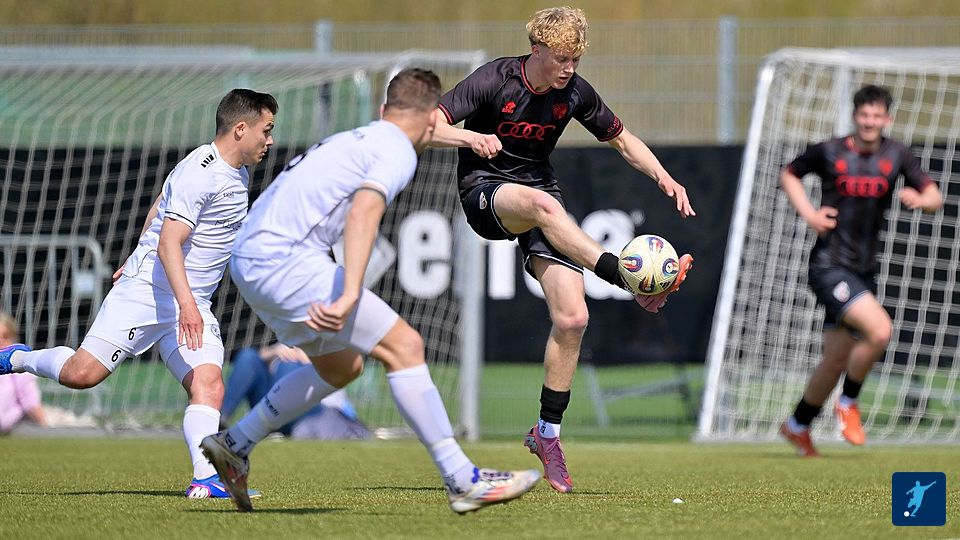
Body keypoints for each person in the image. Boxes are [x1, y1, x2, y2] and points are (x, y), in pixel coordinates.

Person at [200, 68, 540, 514]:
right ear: (430, 119)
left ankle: (236, 443)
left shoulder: (368, 137)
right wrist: (349, 293)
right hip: (285, 260)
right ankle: (463, 480)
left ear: (384, 110)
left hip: (249, 260)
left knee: (342, 365)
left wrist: (468, 139)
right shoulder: (396, 151)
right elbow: (363, 214)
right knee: (406, 346)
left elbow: (420, 130)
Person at [428, 6, 695, 492]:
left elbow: (623, 140)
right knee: (543, 205)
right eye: (561, 58)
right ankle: (627, 279)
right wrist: (470, 136)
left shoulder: (575, 93)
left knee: (573, 318)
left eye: (576, 59)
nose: (569, 68)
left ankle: (546, 434)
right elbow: (429, 125)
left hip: (539, 197)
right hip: (486, 191)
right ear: (537, 49)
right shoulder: (494, 79)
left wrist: (664, 176)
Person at [0, 89, 278, 497]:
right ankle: (16, 357)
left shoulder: (236, 171)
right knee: (81, 375)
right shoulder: (201, 172)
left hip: (189, 303)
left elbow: (161, 204)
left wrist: (138, 253)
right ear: (240, 129)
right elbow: (168, 243)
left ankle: (206, 479)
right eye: (266, 130)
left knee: (209, 383)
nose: (270, 140)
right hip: (148, 294)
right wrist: (181, 298)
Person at [778, 84, 943, 457]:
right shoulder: (830, 151)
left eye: (876, 116)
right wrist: (810, 215)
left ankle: (797, 425)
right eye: (864, 115)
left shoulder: (897, 154)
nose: (869, 122)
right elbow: (789, 175)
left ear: (887, 119)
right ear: (855, 116)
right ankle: (848, 403)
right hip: (829, 266)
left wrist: (922, 199)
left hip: (863, 270)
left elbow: (935, 196)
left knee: (836, 358)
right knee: (880, 330)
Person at [222, 344, 368, 440]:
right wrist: (275, 351)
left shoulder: (329, 340)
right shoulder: (292, 333)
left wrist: (310, 359)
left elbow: (349, 368)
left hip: (310, 410)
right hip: (268, 402)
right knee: (248, 356)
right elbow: (259, 357)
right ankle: (221, 419)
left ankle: (259, 425)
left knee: (289, 365)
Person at [0, 312, 48, 434]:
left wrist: (46, 428)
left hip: (10, 427)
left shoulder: (17, 370)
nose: (1, 342)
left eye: (5, 337)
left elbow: (30, 401)